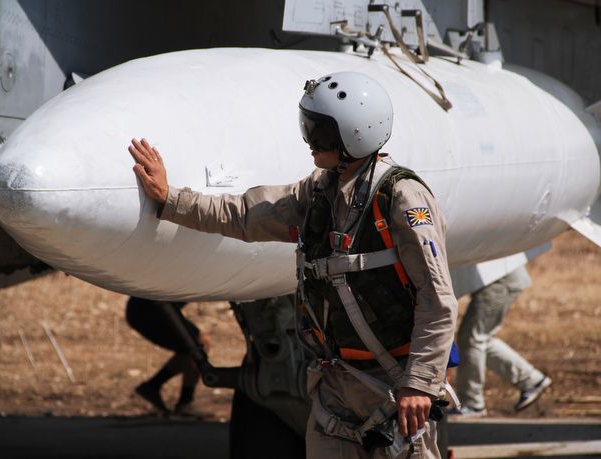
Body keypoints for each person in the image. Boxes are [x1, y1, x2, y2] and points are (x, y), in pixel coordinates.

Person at [129, 71, 457, 459]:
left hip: (393, 387)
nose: (309, 142)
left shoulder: (402, 199)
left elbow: (437, 300)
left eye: (319, 133)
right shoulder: (318, 192)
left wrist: (419, 384)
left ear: (353, 136)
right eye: (309, 128)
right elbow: (244, 214)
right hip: (335, 388)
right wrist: (170, 199)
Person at [453, 266, 551, 417]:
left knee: (472, 338)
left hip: (501, 280)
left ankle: (473, 404)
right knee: (477, 338)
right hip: (504, 279)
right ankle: (531, 380)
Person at [125, 296, 210, 416]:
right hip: (152, 309)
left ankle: (153, 387)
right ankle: (184, 404)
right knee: (198, 344)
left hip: (149, 308)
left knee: (191, 349)